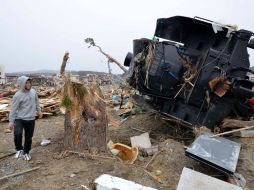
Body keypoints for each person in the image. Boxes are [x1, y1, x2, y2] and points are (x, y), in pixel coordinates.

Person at [8, 76, 43, 161]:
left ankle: (26, 152)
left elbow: (36, 102)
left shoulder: (33, 92)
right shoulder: (17, 95)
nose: (28, 84)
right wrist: (11, 121)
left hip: (31, 118)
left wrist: (39, 111)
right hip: (20, 118)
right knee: (17, 134)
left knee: (29, 137)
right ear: (22, 84)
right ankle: (19, 149)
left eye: (29, 82)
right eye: (26, 83)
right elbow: (14, 109)